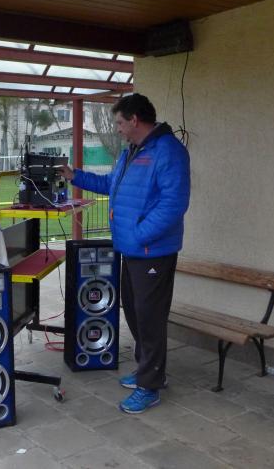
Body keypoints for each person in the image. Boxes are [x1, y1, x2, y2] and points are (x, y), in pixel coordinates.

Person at [58, 93, 190, 414]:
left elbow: (174, 204)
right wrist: (75, 176)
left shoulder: (168, 151)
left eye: (119, 122)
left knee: (149, 318)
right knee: (133, 310)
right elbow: (111, 184)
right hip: (131, 249)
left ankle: (150, 386)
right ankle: (149, 370)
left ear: (134, 120)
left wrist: (139, 234)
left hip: (152, 251)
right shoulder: (131, 151)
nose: (117, 128)